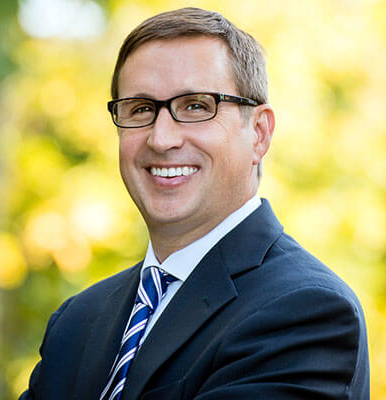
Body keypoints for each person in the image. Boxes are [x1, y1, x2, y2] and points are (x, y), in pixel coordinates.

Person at [20, 7, 369, 400]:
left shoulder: (306, 311)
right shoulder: (75, 323)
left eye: (196, 106)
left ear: (259, 133)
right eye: (141, 109)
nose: (161, 138)